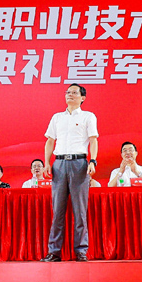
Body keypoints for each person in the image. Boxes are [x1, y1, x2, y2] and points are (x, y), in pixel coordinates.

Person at [40, 83, 99, 263]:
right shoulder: (57, 117)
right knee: (57, 210)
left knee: (79, 210)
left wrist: (93, 161)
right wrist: (47, 163)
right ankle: (54, 252)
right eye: (68, 92)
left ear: (83, 98)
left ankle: (81, 250)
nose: (70, 95)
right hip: (59, 164)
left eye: (74, 92)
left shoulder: (88, 116)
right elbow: (50, 141)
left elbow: (93, 140)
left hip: (79, 163)